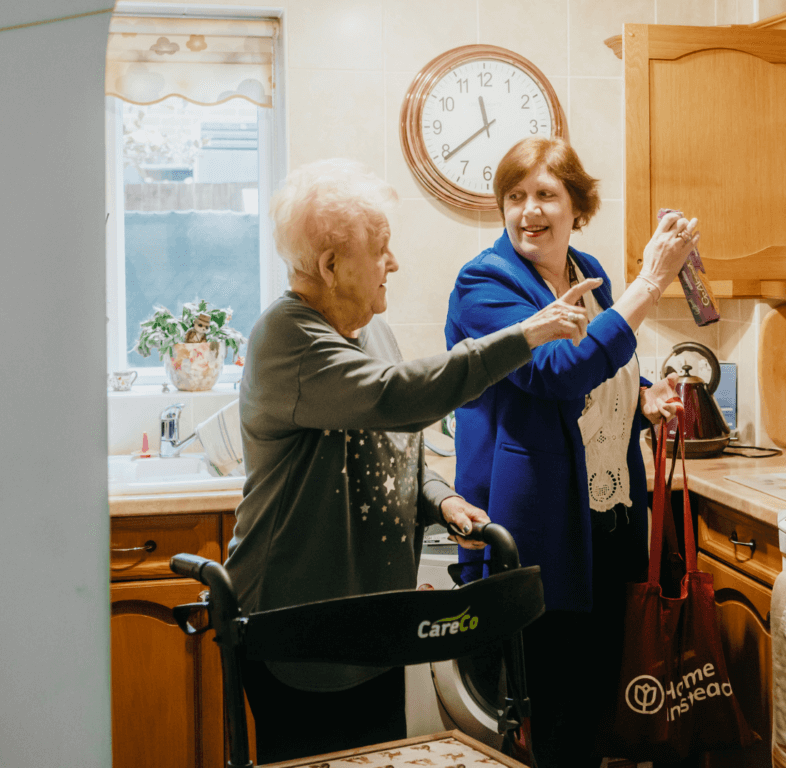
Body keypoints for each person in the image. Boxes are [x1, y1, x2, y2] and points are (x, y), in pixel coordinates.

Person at [224, 158, 600, 765]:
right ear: (330, 266)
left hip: (373, 618)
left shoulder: (368, 328)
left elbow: (394, 445)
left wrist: (440, 497)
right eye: (380, 250)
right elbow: (397, 398)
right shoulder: (288, 341)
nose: (392, 263)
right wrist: (525, 335)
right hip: (300, 625)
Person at [445, 137, 700, 768]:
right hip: (540, 531)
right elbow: (555, 372)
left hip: (610, 518)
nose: (528, 210)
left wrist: (641, 395)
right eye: (515, 196)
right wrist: (649, 285)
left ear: (576, 207)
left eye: (545, 195)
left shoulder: (587, 272)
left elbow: (599, 370)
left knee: (592, 710)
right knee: (554, 720)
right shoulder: (484, 284)